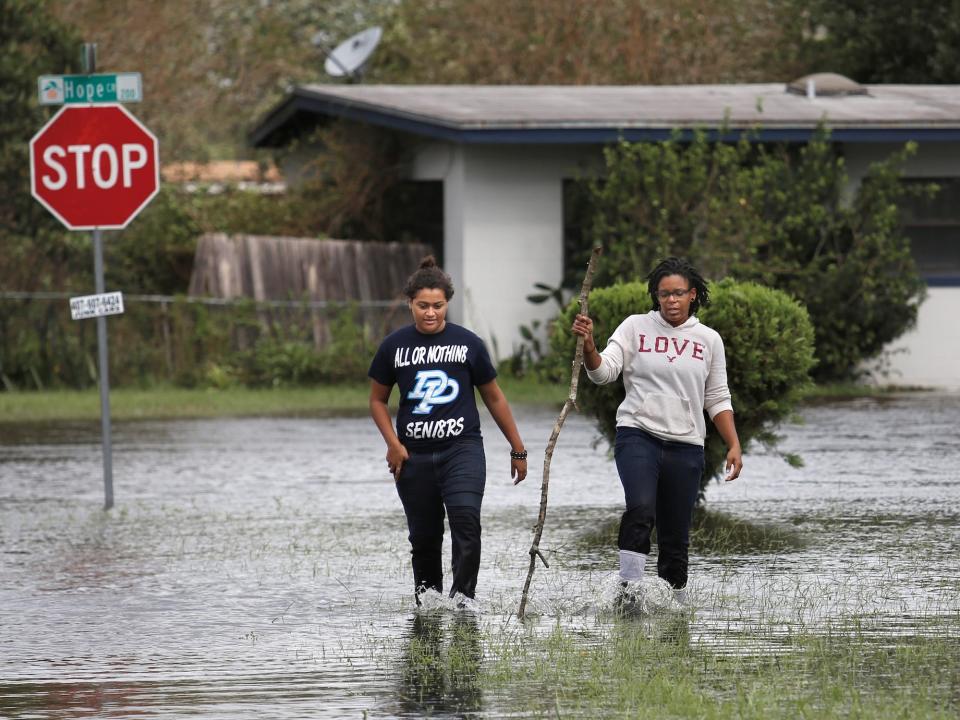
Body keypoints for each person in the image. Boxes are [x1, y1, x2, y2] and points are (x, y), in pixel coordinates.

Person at [571, 256, 742, 604]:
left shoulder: (708, 340)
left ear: (692, 295)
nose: (671, 301)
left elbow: (717, 397)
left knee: (676, 534)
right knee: (641, 509)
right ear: (656, 296)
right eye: (664, 294)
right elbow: (604, 373)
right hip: (638, 435)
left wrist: (734, 444)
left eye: (679, 293)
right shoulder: (635, 327)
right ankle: (629, 594)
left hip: (686, 446)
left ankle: (673, 606)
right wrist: (589, 347)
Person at [368, 256, 528, 607]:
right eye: (422, 305)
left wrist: (517, 448)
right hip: (413, 457)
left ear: (447, 304)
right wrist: (393, 445)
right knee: (424, 539)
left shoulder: (469, 344)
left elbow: (494, 397)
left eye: (437, 306)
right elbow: (377, 401)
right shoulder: (393, 347)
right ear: (410, 303)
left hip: (462, 450)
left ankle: (463, 603)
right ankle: (428, 606)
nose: (430, 313)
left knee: (465, 521)